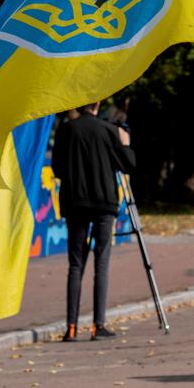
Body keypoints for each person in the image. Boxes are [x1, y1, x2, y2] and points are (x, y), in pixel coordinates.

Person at [52, 101, 136, 342]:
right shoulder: (108, 130)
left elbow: (57, 168)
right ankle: (98, 325)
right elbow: (128, 164)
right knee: (101, 263)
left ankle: (71, 326)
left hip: (75, 202)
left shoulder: (67, 129)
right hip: (103, 203)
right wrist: (126, 143)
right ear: (98, 104)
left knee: (76, 264)